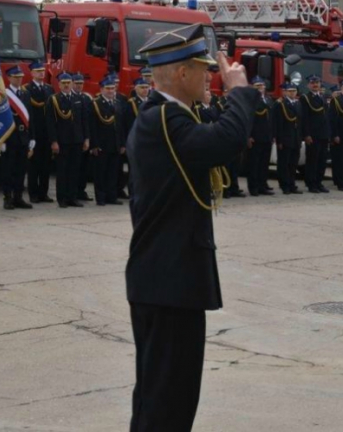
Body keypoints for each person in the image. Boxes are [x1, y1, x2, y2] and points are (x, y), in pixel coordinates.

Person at [126, 24, 259, 431]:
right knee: (168, 405)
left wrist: (238, 98)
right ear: (181, 74)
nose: (209, 77)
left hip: (167, 281)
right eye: (202, 70)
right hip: (169, 283)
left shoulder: (170, 116)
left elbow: (221, 131)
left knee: (163, 400)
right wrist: (238, 90)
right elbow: (223, 141)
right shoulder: (164, 119)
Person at [46, 73, 90, 208]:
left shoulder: (79, 98)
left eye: (68, 82)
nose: (66, 85)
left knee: (74, 170)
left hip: (77, 140)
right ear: (59, 85)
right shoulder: (54, 99)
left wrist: (86, 138)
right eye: (63, 82)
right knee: (62, 171)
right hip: (62, 141)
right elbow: (50, 123)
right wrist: (53, 141)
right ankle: (62, 198)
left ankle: (73, 197)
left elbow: (84, 120)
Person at [2, 67, 34, 210]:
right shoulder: (3, 95)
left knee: (21, 170)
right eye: (15, 77)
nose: (19, 79)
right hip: (10, 138)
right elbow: (0, 118)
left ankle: (18, 197)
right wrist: (0, 140)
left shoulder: (26, 94)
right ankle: (7, 198)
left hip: (23, 138)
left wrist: (32, 138)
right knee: (8, 170)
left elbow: (30, 117)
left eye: (20, 77)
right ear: (9, 78)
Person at [90, 77, 125, 206]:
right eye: (108, 88)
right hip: (102, 144)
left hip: (115, 143)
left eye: (112, 88)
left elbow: (120, 125)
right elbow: (92, 126)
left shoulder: (117, 103)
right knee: (101, 173)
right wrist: (94, 145)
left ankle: (112, 196)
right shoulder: (96, 103)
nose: (111, 91)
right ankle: (101, 197)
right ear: (101, 89)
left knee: (113, 172)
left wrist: (122, 143)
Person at [25, 61, 55, 203]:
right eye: (37, 71)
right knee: (34, 165)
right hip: (35, 131)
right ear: (31, 73)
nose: (41, 73)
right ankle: (33, 193)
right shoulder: (27, 90)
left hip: (47, 132)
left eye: (42, 70)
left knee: (46, 164)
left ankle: (44, 192)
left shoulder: (49, 89)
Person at [300, 75, 331, 193]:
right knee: (312, 160)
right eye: (313, 83)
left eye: (317, 83)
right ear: (308, 85)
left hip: (323, 134)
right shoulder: (305, 98)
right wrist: (307, 134)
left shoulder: (322, 97)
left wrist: (328, 133)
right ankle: (311, 183)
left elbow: (326, 117)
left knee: (322, 160)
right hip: (313, 135)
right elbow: (305, 118)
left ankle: (319, 182)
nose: (315, 85)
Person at [273, 83, 303, 195]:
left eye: (294, 91)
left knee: (293, 163)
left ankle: (292, 184)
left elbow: (300, 122)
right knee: (284, 163)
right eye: (290, 91)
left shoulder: (298, 104)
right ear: (285, 92)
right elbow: (277, 123)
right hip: (285, 138)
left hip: (296, 138)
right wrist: (279, 139)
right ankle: (284, 185)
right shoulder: (280, 104)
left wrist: (301, 137)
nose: (292, 93)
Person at [246, 76, 274, 196]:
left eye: (261, 85)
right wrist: (248, 136)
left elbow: (272, 119)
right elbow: (247, 120)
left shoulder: (268, 99)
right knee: (254, 164)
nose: (260, 88)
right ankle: (253, 187)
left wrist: (273, 135)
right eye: (257, 86)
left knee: (264, 163)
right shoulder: (250, 101)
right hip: (255, 137)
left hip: (267, 136)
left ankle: (263, 185)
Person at [72, 73, 95, 202]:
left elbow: (88, 120)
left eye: (81, 84)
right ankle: (74, 192)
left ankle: (81, 190)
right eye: (77, 83)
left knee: (84, 167)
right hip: (75, 138)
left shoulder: (86, 99)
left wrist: (88, 138)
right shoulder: (71, 98)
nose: (79, 86)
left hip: (85, 137)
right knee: (74, 167)